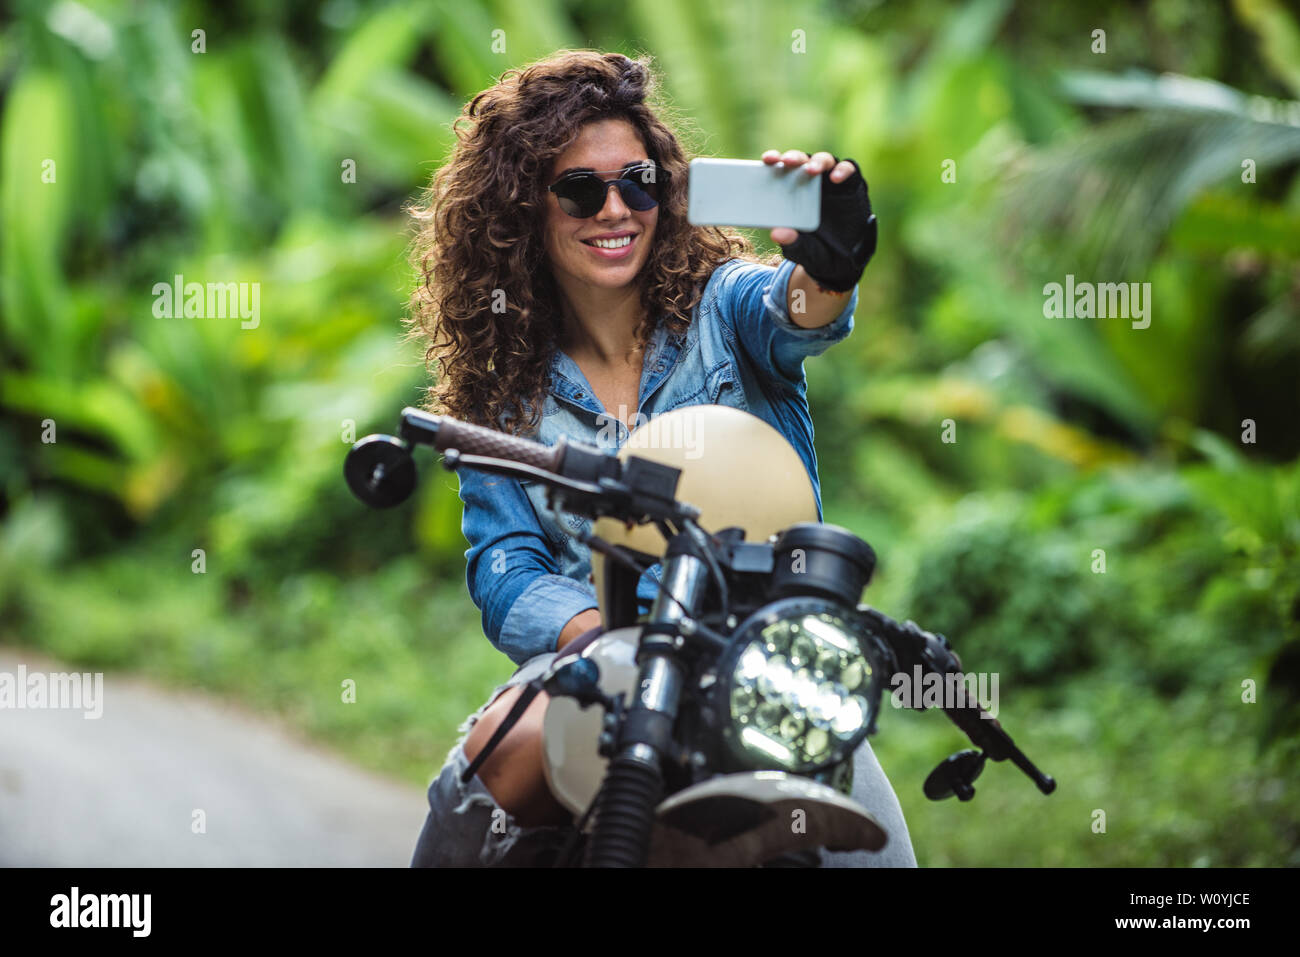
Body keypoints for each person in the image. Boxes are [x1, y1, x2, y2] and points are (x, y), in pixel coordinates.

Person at [405, 49, 915, 867]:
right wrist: (614, 640)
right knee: (483, 777)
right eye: (581, 188)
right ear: (520, 208)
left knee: (872, 849)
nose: (616, 208)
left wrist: (832, 263)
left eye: (637, 181)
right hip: (597, 671)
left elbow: (798, 312)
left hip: (764, 667)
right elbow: (506, 567)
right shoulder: (496, 395)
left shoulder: (725, 305)